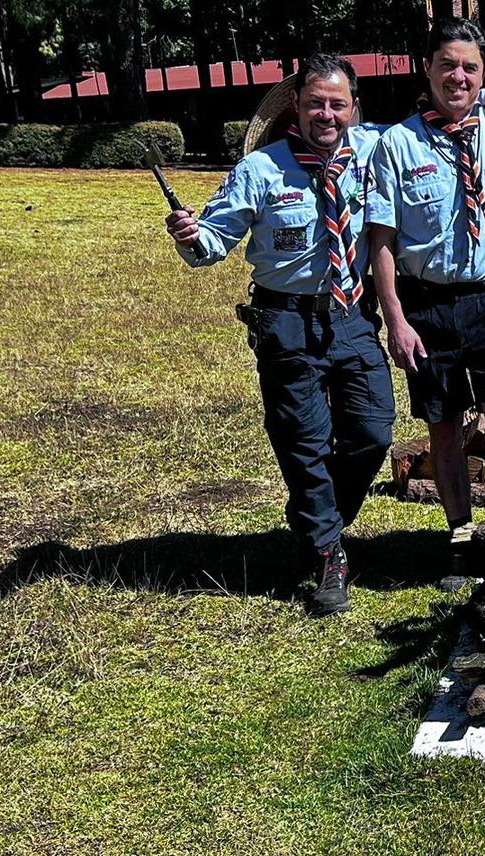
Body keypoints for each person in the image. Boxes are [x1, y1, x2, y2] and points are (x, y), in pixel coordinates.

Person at [165, 53, 394, 616]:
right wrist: (191, 235)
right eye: (316, 102)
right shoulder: (260, 171)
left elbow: (433, 122)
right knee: (303, 440)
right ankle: (327, 555)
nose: (327, 114)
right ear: (296, 105)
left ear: (354, 109)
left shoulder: (373, 151)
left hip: (353, 314)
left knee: (373, 431)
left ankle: (319, 521)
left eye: (338, 104)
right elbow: (213, 244)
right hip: (286, 318)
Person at [366, 18, 485, 545]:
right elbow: (383, 240)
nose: (458, 77)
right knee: (444, 426)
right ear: (427, 69)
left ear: (484, 74)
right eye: (447, 65)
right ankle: (459, 533)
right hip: (426, 306)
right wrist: (395, 319)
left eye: (471, 67)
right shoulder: (397, 144)